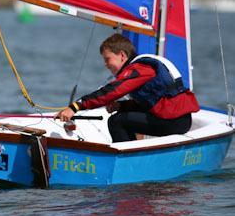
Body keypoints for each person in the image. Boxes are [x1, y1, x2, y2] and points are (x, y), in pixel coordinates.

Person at [55, 33, 200, 142]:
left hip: (174, 122)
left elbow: (112, 91)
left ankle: (127, 164)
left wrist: (76, 106)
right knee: (122, 116)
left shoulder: (140, 69)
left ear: (122, 55)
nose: (106, 64)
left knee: (116, 121)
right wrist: (122, 106)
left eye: (108, 59)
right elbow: (154, 102)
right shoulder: (141, 67)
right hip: (177, 119)